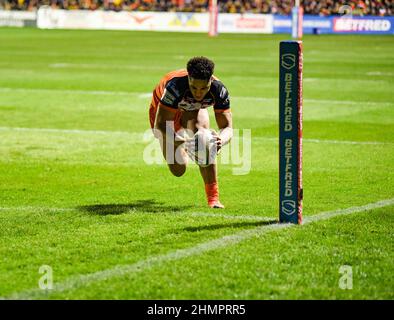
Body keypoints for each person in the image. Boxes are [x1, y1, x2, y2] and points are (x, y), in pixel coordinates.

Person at [149, 56, 233, 208]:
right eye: (194, 87)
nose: (199, 93)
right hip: (166, 115)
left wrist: (219, 140)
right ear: (188, 79)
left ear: (211, 82)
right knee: (178, 170)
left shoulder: (219, 90)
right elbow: (159, 127)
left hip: (193, 109)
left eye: (204, 88)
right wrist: (179, 140)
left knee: (206, 139)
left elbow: (228, 128)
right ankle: (190, 148)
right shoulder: (174, 87)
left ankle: (213, 198)